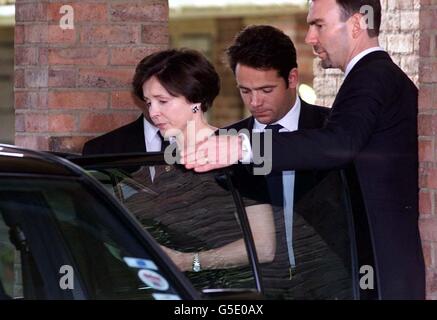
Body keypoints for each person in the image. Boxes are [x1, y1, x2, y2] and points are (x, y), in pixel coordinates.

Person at [183, 0, 426, 299]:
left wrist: (243, 147)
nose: (310, 37)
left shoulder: (371, 75)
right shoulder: (376, 75)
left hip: (380, 270)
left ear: (358, 23)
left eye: (319, 25)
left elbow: (337, 144)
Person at [121, 48, 276, 289]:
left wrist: (188, 262)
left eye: (163, 101)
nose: (153, 112)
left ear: (195, 100)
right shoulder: (159, 163)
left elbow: (264, 247)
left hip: (234, 294)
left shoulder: (237, 151)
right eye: (149, 102)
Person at [223, 25, 353, 299]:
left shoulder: (334, 131)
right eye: (245, 90)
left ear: (292, 78)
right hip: (254, 290)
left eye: (266, 89)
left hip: (333, 286)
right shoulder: (225, 144)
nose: (254, 102)